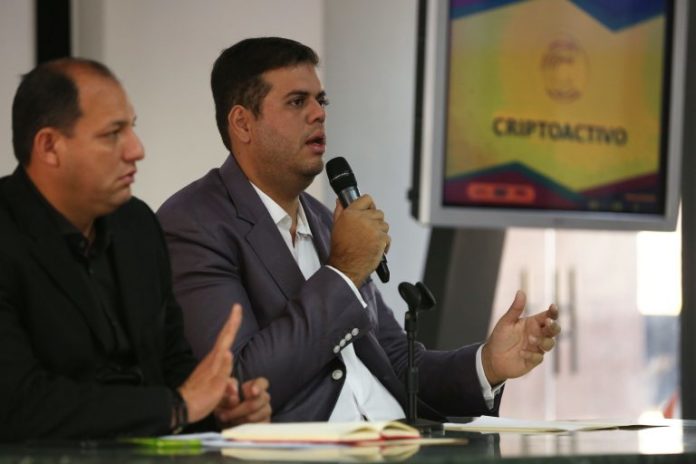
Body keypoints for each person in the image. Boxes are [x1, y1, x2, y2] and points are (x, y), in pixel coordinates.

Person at [157, 37, 560, 422]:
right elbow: (237, 381)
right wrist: (344, 271)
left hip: (396, 442)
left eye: (320, 100)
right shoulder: (195, 222)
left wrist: (487, 364)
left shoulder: (324, 220)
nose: (318, 114)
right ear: (243, 124)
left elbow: (395, 360)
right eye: (297, 101)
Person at [0, 58, 271, 442]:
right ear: (50, 146)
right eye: (113, 133)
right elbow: (18, 404)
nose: (136, 149)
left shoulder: (136, 224)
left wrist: (218, 409)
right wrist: (176, 407)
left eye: (133, 127)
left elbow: (170, 362)